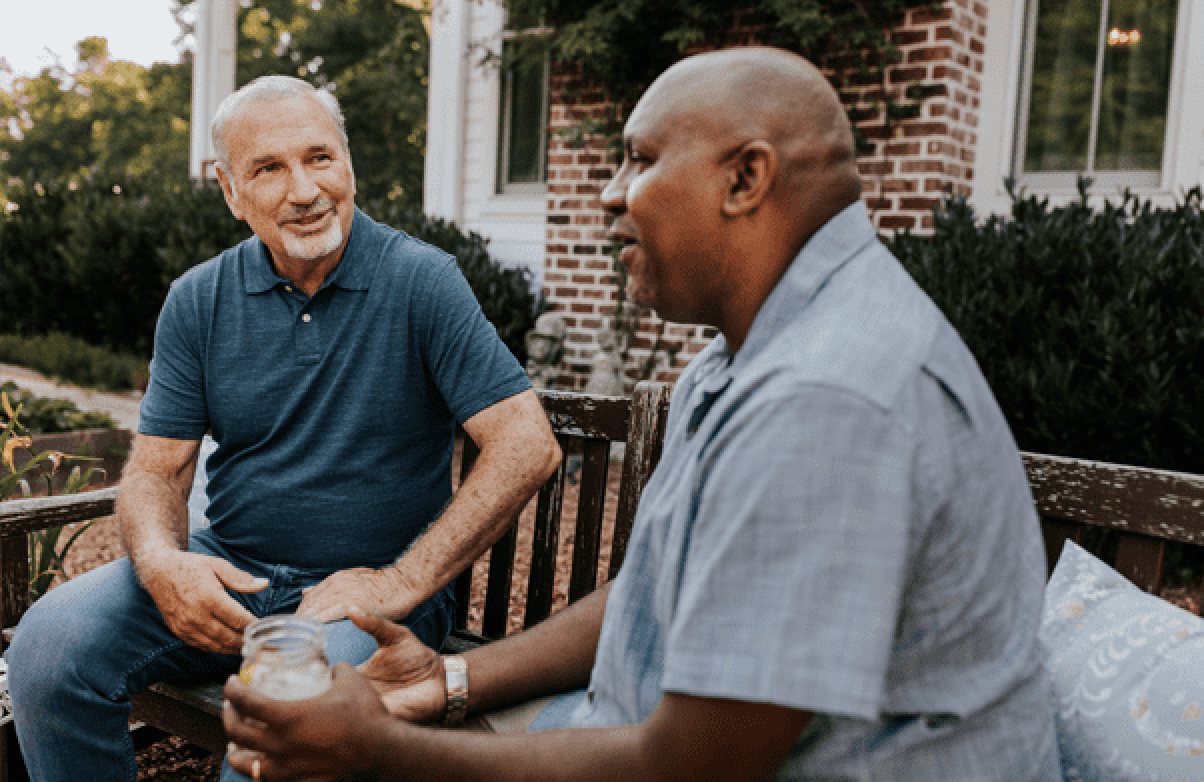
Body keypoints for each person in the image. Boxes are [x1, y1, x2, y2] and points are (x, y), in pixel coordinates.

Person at [221, 47, 1061, 781]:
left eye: (639, 160)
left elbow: (698, 766)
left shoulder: (824, 398)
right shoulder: (744, 354)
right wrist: (449, 681)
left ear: (745, 178)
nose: (610, 198)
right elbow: (654, 588)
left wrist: (380, 750)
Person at [5, 74, 560, 782]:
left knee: (282, 737)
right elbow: (156, 471)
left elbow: (526, 443)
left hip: (359, 607)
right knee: (46, 649)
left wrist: (399, 581)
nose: (305, 190)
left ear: (348, 165)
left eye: (320, 157)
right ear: (231, 191)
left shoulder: (423, 281)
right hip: (232, 573)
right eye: (269, 168)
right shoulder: (197, 300)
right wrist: (164, 566)